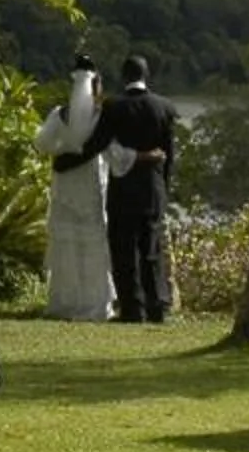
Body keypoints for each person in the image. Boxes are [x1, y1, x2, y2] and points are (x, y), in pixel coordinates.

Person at [58, 54, 177, 323]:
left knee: (124, 249)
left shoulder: (115, 107)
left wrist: (67, 162)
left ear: (124, 77)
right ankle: (157, 305)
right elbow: (170, 154)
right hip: (153, 188)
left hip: (124, 188)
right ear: (146, 76)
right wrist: (164, 187)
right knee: (152, 249)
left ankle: (132, 308)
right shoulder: (164, 107)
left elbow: (97, 144)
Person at [32, 57, 118, 320]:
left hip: (66, 184)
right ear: (96, 85)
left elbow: (43, 143)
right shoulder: (102, 116)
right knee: (92, 241)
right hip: (91, 182)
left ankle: (64, 301)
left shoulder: (60, 114)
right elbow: (114, 151)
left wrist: (63, 153)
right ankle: (94, 302)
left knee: (66, 242)